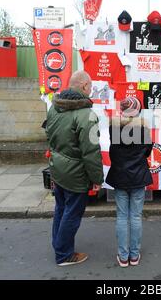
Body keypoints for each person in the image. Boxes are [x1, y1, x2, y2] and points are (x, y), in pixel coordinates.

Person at [45, 70, 104, 266]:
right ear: (85, 86)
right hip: (75, 175)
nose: (92, 89)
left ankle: (58, 244)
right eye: (91, 85)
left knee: (61, 208)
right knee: (72, 213)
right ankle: (63, 254)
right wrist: (97, 179)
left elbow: (50, 137)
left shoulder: (54, 108)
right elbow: (91, 151)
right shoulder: (87, 115)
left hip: (58, 168)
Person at [106, 97, 154, 268]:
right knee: (135, 216)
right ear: (138, 110)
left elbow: (114, 150)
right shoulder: (144, 130)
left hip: (120, 177)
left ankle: (123, 256)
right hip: (138, 177)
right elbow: (147, 152)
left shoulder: (114, 128)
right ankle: (134, 256)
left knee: (122, 216)